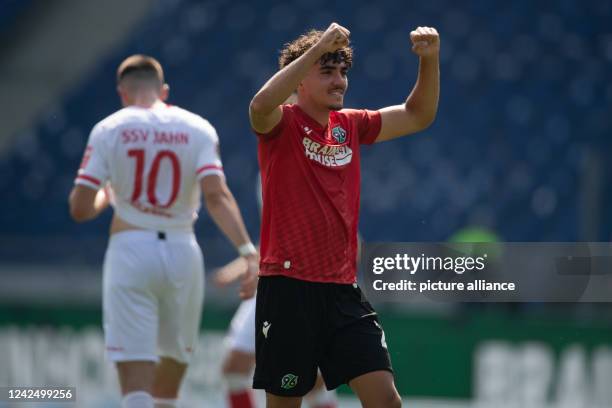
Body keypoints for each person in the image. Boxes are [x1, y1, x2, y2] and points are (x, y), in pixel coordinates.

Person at [249, 22, 440, 408]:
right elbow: (259, 106)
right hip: (288, 288)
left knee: (386, 400)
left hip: (341, 290)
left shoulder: (350, 125)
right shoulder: (281, 123)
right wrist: (318, 46)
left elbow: (418, 115)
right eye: (327, 71)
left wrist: (430, 60)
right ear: (301, 79)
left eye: (342, 72)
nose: (339, 81)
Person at [68, 54, 258, 408]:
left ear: (122, 93)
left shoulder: (110, 129)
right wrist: (247, 252)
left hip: (130, 247)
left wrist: (106, 195)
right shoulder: (197, 128)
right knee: (170, 375)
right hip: (182, 249)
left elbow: (80, 208)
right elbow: (217, 197)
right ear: (164, 90)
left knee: (135, 385)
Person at [215, 174, 338, 408]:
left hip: (305, 287)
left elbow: (342, 235)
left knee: (311, 381)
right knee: (233, 369)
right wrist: (243, 265)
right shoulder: (267, 170)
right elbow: (277, 238)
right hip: (270, 283)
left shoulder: (312, 168)